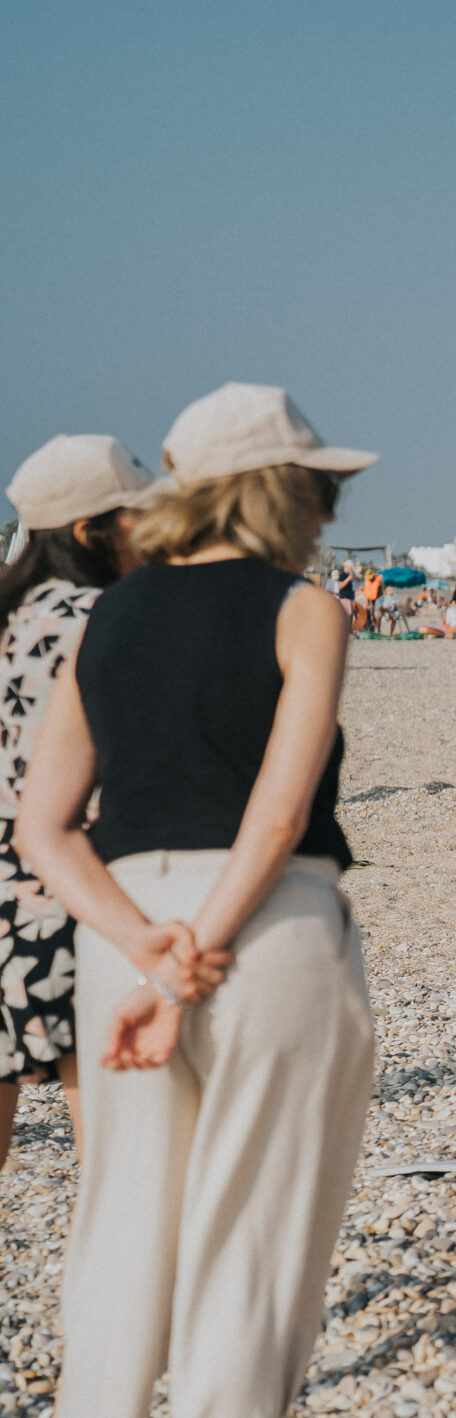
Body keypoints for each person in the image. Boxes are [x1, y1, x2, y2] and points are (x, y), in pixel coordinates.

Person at [21, 382, 375, 1418]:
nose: (329, 513)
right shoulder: (302, 608)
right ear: (276, 494)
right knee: (252, 1236)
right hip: (263, 931)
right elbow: (276, 815)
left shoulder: (111, 615)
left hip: (124, 929)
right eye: (320, 490)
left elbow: (46, 828)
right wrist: (197, 956)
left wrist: (144, 950)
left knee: (120, 1223)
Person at [0, 436, 156, 1166]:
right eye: (134, 517)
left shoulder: (10, 612)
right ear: (94, 531)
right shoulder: (105, 617)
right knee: (107, 1145)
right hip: (67, 887)